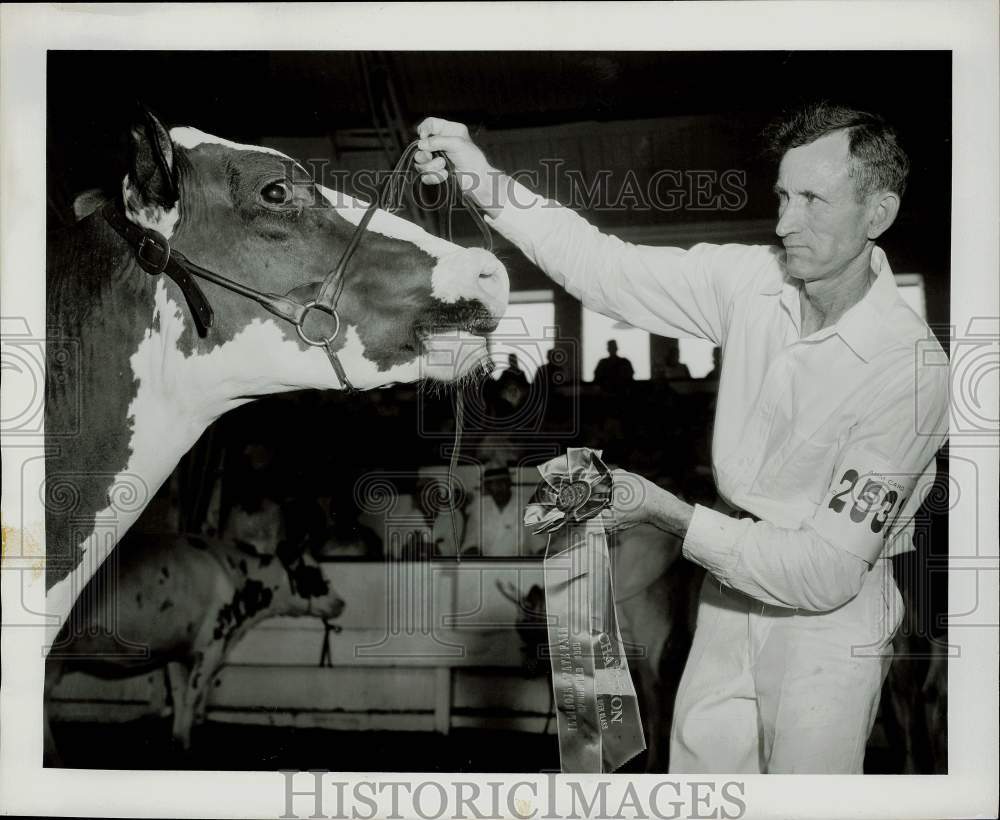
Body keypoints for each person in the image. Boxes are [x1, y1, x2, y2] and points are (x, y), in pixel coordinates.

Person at [414, 102, 949, 774]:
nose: (785, 222)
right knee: (698, 790)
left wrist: (664, 512)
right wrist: (482, 181)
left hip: (829, 617)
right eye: (783, 195)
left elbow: (823, 573)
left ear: (879, 213)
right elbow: (603, 265)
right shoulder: (755, 281)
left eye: (814, 200)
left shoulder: (911, 369)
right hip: (726, 591)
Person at [460, 462, 521, 557]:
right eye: (493, 484)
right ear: (488, 487)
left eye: (502, 482)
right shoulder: (479, 508)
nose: (498, 488)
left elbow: (539, 544)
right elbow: (470, 540)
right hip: (486, 566)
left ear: (509, 482)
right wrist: (472, 550)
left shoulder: (526, 506)